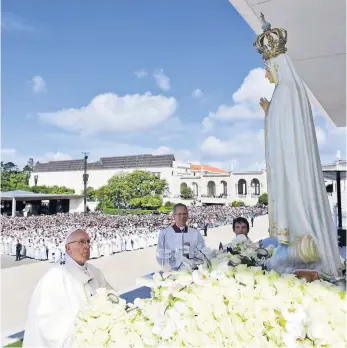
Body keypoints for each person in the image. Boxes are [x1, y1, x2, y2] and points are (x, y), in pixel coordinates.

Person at [256, 14, 341, 277]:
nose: (266, 73)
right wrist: (271, 113)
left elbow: (283, 134)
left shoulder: (284, 92)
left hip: (290, 165)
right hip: (294, 160)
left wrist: (269, 116)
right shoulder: (290, 91)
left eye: (268, 66)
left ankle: (302, 249)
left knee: (295, 214)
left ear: (278, 65)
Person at [23, 229, 114, 348]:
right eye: (81, 242)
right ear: (68, 248)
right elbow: (47, 322)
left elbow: (111, 295)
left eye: (88, 241)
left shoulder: (94, 271)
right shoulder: (55, 277)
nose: (87, 246)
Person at [156, 203, 206, 269]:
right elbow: (160, 257)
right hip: (172, 271)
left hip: (193, 269)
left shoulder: (195, 233)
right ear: (174, 216)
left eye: (184, 214)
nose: (182, 217)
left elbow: (203, 252)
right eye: (179, 214)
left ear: (188, 215)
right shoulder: (164, 233)